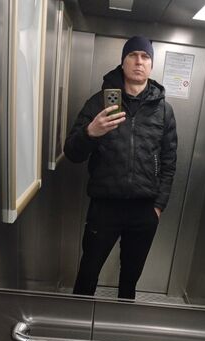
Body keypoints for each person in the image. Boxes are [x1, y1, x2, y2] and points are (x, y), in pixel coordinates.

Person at [64, 35, 178, 299]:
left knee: (130, 278)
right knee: (87, 273)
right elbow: (72, 152)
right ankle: (79, 319)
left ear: (151, 65)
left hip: (144, 209)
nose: (139, 61)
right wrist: (90, 132)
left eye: (145, 57)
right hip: (105, 207)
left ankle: (122, 319)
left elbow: (170, 162)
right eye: (133, 55)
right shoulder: (99, 102)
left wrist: (158, 206)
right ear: (123, 61)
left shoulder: (164, 111)